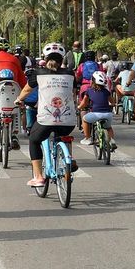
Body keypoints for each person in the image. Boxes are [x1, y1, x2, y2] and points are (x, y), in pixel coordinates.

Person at [19, 43, 79, 187]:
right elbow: (73, 93)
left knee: (34, 140)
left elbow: (27, 90)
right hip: (69, 121)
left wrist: (18, 99)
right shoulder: (70, 74)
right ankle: (68, 163)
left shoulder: (38, 73)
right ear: (62, 59)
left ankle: (39, 177)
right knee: (63, 136)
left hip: (45, 120)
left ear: (45, 58)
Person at [79, 69, 115, 146]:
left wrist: (79, 107)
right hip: (108, 115)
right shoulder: (106, 92)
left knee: (85, 119)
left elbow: (84, 103)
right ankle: (112, 141)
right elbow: (112, 102)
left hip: (95, 115)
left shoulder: (89, 91)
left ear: (93, 81)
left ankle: (87, 138)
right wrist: (111, 104)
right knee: (108, 127)